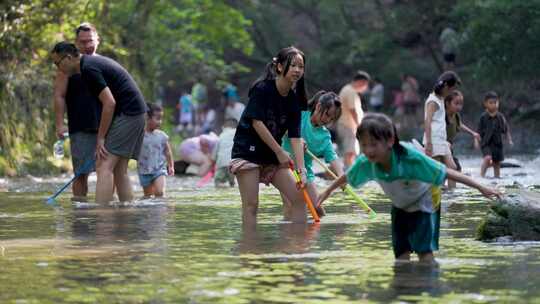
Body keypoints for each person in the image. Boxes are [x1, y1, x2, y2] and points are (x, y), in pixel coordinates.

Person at [317, 113, 501, 263]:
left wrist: (481, 187)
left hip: (425, 201)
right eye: (364, 145)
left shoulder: (409, 158)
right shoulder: (367, 161)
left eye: (373, 144)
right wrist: (326, 192)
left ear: (390, 141)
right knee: (401, 257)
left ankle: (429, 289)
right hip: (400, 206)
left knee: (424, 254)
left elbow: (447, 173)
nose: (368, 150)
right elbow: (347, 177)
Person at [51, 42, 147, 204]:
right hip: (137, 113)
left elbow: (109, 103)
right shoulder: (88, 65)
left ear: (67, 58)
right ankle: (127, 214)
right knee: (119, 170)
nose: (58, 68)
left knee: (104, 165)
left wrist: (101, 138)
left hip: (129, 114)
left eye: (57, 63)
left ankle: (102, 217)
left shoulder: (88, 69)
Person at [230, 46, 308, 226]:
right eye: (293, 65)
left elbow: (295, 137)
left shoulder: (293, 100)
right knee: (251, 205)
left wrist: (301, 170)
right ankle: (249, 247)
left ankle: (299, 248)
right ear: (280, 67)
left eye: (301, 66)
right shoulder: (263, 89)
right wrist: (280, 152)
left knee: (299, 200)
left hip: (271, 156)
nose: (297, 70)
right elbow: (257, 123)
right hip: (248, 151)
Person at [53, 23, 101, 201]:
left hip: (106, 124)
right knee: (81, 173)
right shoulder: (67, 66)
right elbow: (59, 95)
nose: (87, 45)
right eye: (82, 42)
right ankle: (80, 214)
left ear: (97, 40)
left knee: (107, 171)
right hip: (80, 127)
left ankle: (107, 213)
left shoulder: (102, 64)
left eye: (90, 41)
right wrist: (59, 124)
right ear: (76, 43)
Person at [282, 91, 344, 218]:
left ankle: (312, 235)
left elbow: (332, 156)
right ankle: (289, 236)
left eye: (332, 119)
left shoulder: (324, 135)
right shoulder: (300, 116)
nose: (328, 120)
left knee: (318, 209)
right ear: (318, 106)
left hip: (306, 173)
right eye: (327, 115)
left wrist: (341, 176)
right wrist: (296, 137)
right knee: (291, 206)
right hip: (286, 168)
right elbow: (282, 128)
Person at [422, 71, 461, 185]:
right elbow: (427, 121)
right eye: (450, 90)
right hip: (433, 140)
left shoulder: (441, 98)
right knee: (436, 171)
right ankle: (436, 195)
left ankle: (451, 193)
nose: (450, 93)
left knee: (452, 167)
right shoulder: (433, 101)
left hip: (441, 140)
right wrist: (429, 143)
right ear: (444, 86)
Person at [137, 103, 174, 198]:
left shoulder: (162, 136)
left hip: (159, 169)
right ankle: (150, 212)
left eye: (161, 119)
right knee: (148, 196)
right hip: (144, 171)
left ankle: (161, 210)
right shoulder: (139, 135)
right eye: (157, 118)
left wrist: (171, 166)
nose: (160, 122)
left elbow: (167, 152)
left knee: (159, 192)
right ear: (147, 118)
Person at [337, 70, 370, 168]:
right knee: (350, 151)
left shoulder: (348, 90)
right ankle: (349, 173)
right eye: (365, 84)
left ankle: (348, 171)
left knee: (351, 151)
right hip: (348, 125)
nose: (365, 87)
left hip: (348, 125)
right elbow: (353, 110)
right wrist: (359, 124)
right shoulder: (350, 91)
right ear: (361, 81)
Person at [479, 91, 513, 178]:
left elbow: (506, 129)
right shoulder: (483, 117)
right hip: (486, 143)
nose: (493, 105)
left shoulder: (500, 117)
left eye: (495, 102)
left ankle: (497, 177)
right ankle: (481, 175)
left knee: (496, 163)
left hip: (497, 144)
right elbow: (478, 130)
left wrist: (509, 139)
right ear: (485, 104)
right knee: (487, 158)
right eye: (491, 103)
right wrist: (476, 141)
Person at [444, 90, 480, 173]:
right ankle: (444, 185)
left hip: (448, 148)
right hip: (440, 147)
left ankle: (450, 186)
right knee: (453, 168)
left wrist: (473, 133)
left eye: (461, 104)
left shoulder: (456, 115)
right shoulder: (442, 116)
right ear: (447, 103)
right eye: (456, 104)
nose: (459, 107)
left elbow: (459, 125)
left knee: (455, 169)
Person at [213, 118, 237, 187]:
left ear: (224, 126)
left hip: (222, 163)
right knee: (232, 183)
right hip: (234, 164)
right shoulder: (238, 133)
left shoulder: (221, 135)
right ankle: (232, 183)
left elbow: (215, 151)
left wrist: (213, 159)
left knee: (217, 182)